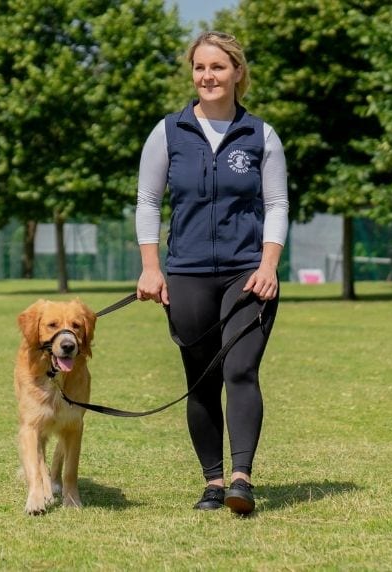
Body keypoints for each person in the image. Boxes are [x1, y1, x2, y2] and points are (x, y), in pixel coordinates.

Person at [134, 31, 289, 515]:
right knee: (202, 379)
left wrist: (269, 264)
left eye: (218, 68)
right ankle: (213, 482)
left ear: (238, 72)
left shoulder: (260, 135)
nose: (208, 77)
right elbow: (148, 201)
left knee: (241, 369)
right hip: (186, 272)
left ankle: (242, 480)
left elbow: (277, 203)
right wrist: (150, 269)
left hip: (248, 273)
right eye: (200, 68)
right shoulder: (168, 131)